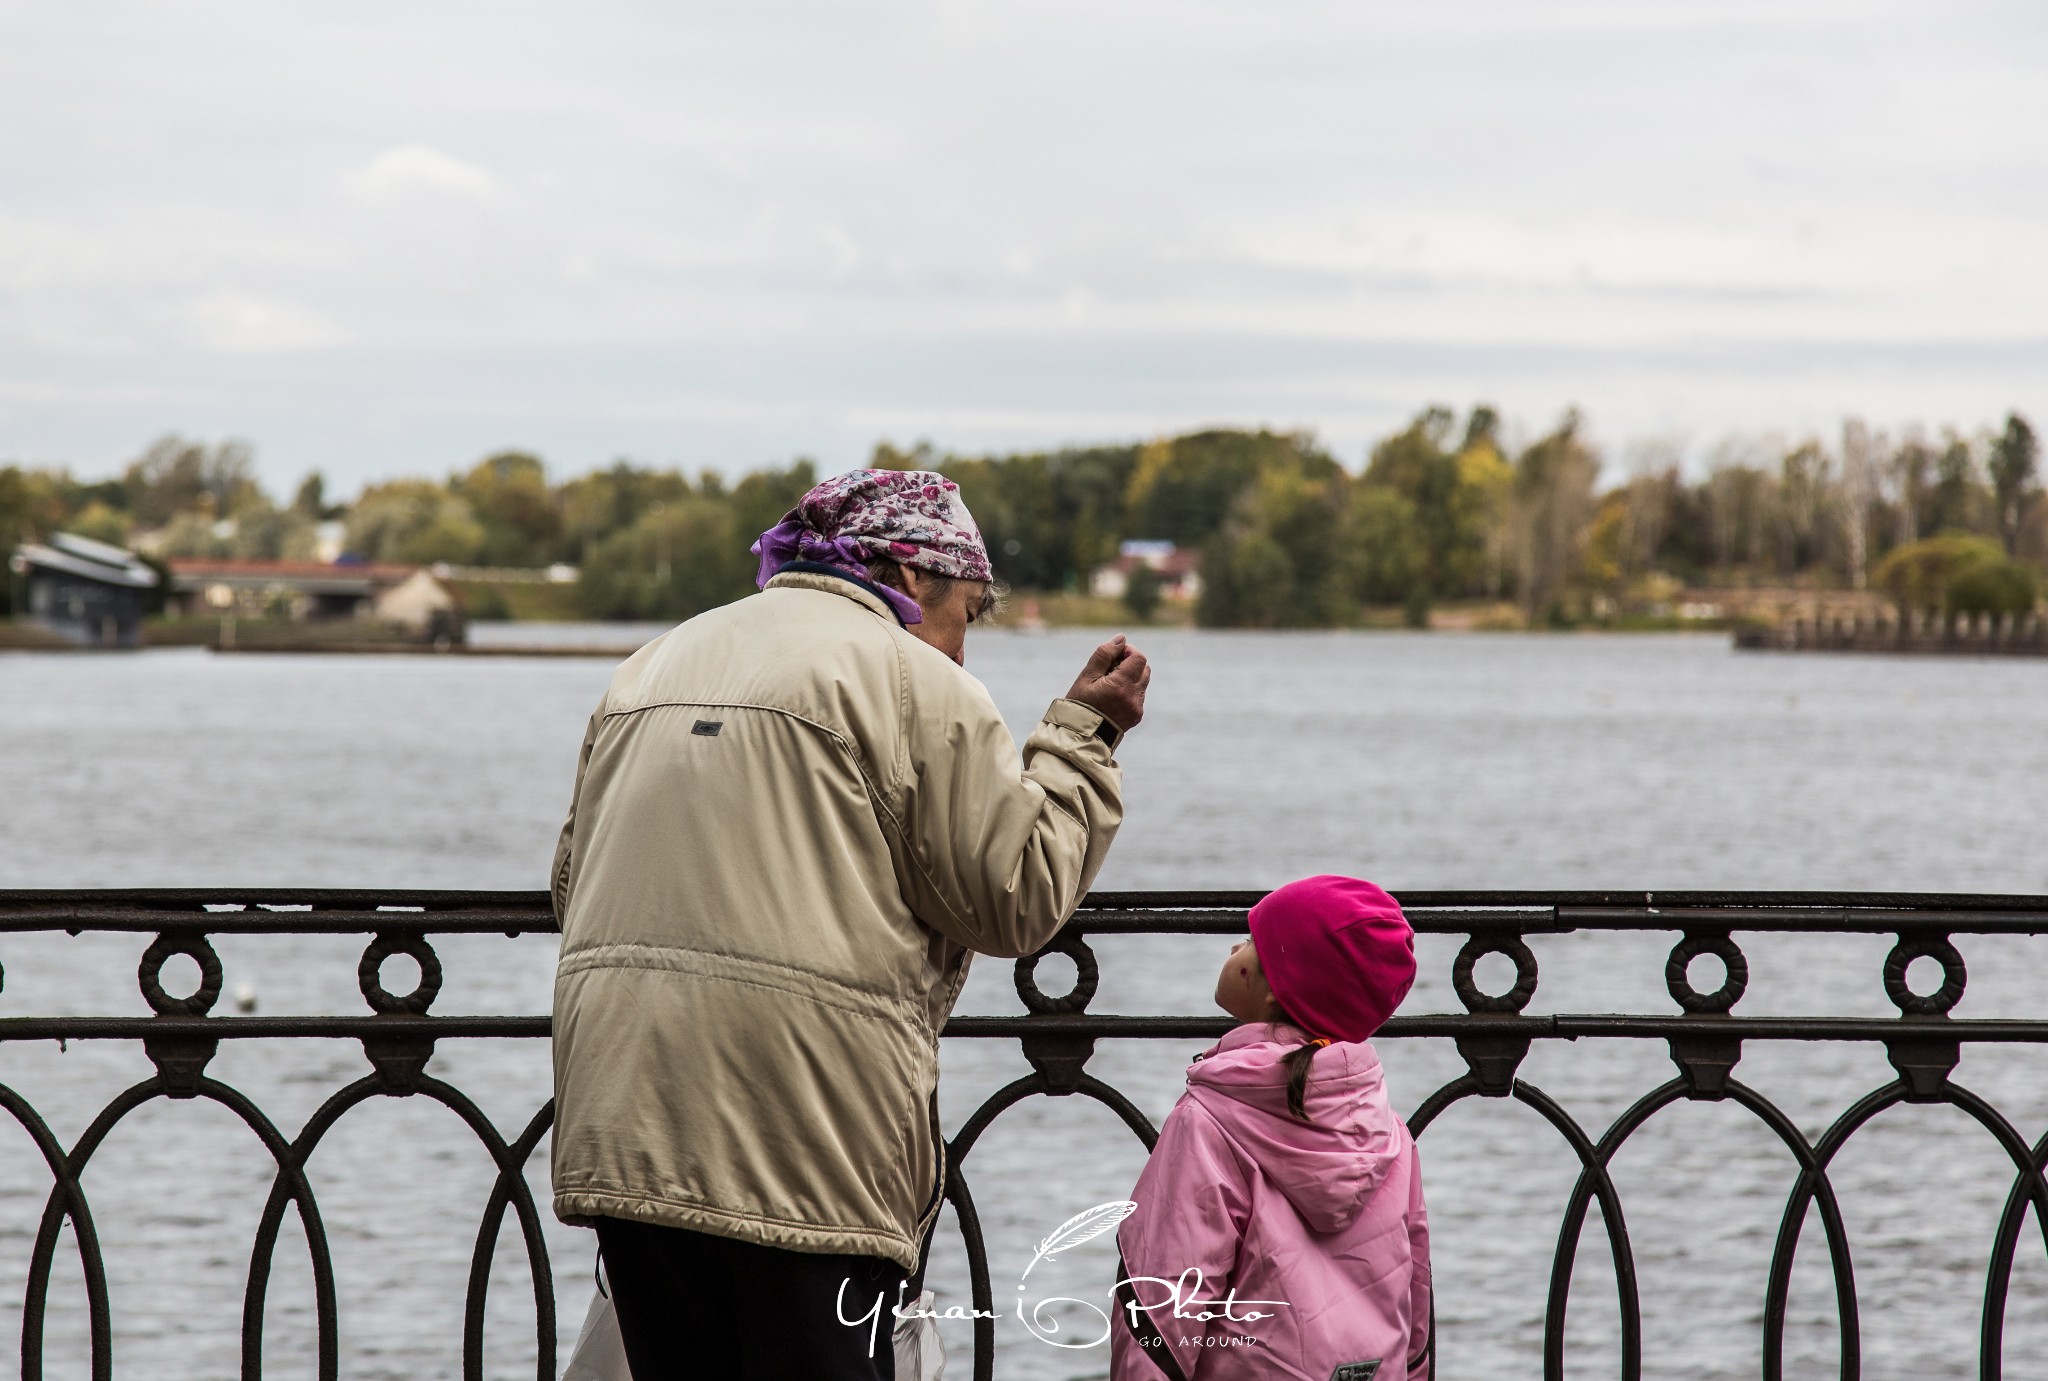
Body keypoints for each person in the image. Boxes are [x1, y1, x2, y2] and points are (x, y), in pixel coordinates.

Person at [548, 467, 1149, 1381]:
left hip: (627, 1123)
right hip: (804, 1138)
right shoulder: (916, 683)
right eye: (970, 613)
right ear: (912, 579)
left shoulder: (654, 662)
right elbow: (1015, 896)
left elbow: (570, 884)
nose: (963, 645)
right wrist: (1081, 738)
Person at [1111, 876, 1430, 1381]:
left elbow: (1163, 1304)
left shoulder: (1211, 1122)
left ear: (1277, 986)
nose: (1236, 947)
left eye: (1252, 942)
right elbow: (1414, 1296)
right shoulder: (1387, 1131)